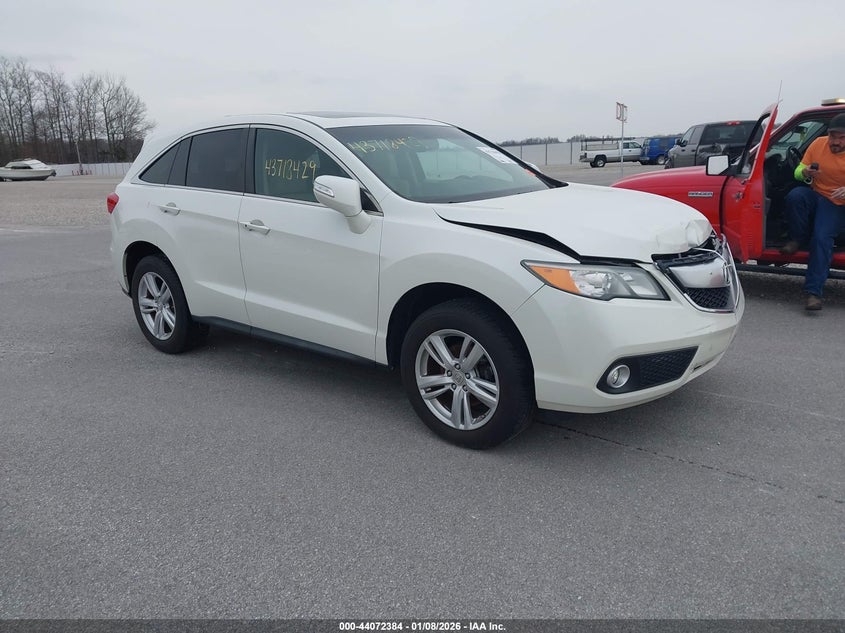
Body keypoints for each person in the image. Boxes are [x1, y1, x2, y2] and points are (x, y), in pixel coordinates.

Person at [780, 113, 845, 310]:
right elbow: (797, 171)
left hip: (837, 203)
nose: (836, 141)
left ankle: (813, 292)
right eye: (833, 136)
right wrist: (805, 172)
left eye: (842, 137)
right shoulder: (818, 143)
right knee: (795, 196)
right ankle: (797, 239)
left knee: (821, 237)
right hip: (816, 194)